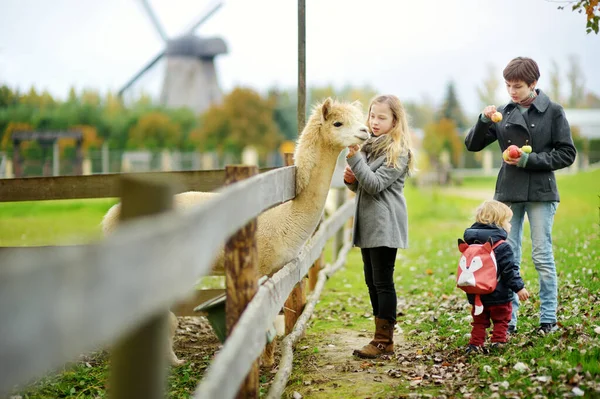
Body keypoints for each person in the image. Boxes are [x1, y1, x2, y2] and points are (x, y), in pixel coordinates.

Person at [465, 57, 576, 335]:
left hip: (541, 192)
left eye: (518, 86)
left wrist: (528, 160)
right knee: (507, 255)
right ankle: (508, 319)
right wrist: (482, 120)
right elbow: (473, 145)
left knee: (541, 255)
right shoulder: (503, 112)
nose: (512, 91)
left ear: (533, 84)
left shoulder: (554, 111)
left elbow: (567, 153)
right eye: (508, 86)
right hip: (508, 195)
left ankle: (547, 319)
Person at [343, 94, 415, 358]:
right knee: (372, 281)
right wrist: (351, 179)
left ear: (395, 120)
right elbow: (361, 184)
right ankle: (380, 337)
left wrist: (355, 161)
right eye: (372, 115)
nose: (374, 122)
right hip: (369, 224)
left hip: (385, 224)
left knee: (383, 282)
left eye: (381, 117)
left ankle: (384, 340)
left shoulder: (399, 152)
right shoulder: (369, 146)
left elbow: (374, 185)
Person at [461, 200, 530, 354]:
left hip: (477, 293)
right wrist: (519, 288)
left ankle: (475, 345)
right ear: (499, 222)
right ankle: (498, 341)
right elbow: (509, 271)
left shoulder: (470, 243)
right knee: (501, 320)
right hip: (499, 294)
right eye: (508, 221)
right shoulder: (502, 246)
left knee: (479, 322)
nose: (510, 225)